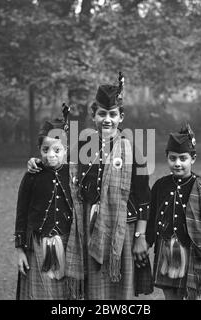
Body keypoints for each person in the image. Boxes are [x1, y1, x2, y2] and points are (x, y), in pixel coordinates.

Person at [27, 73, 152, 299]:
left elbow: (144, 197)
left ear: (120, 116)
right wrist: (37, 162)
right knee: (94, 294)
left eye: (112, 114)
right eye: (102, 114)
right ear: (93, 115)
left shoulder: (135, 150)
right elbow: (58, 166)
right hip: (89, 225)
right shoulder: (82, 146)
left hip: (121, 228)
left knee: (118, 294)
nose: (107, 119)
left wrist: (140, 237)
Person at [146, 123, 201, 300]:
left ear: (193, 158)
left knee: (196, 296)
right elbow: (151, 220)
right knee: (170, 296)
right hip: (166, 251)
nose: (177, 163)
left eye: (183, 158)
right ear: (167, 158)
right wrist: (146, 242)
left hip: (196, 252)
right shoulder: (160, 185)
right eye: (172, 158)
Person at [14, 109, 78, 300]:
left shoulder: (74, 174)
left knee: (69, 295)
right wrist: (20, 250)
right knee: (42, 294)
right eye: (45, 150)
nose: (51, 155)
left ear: (66, 150)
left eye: (57, 150)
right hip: (38, 244)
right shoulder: (32, 176)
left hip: (68, 243)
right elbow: (21, 213)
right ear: (39, 149)